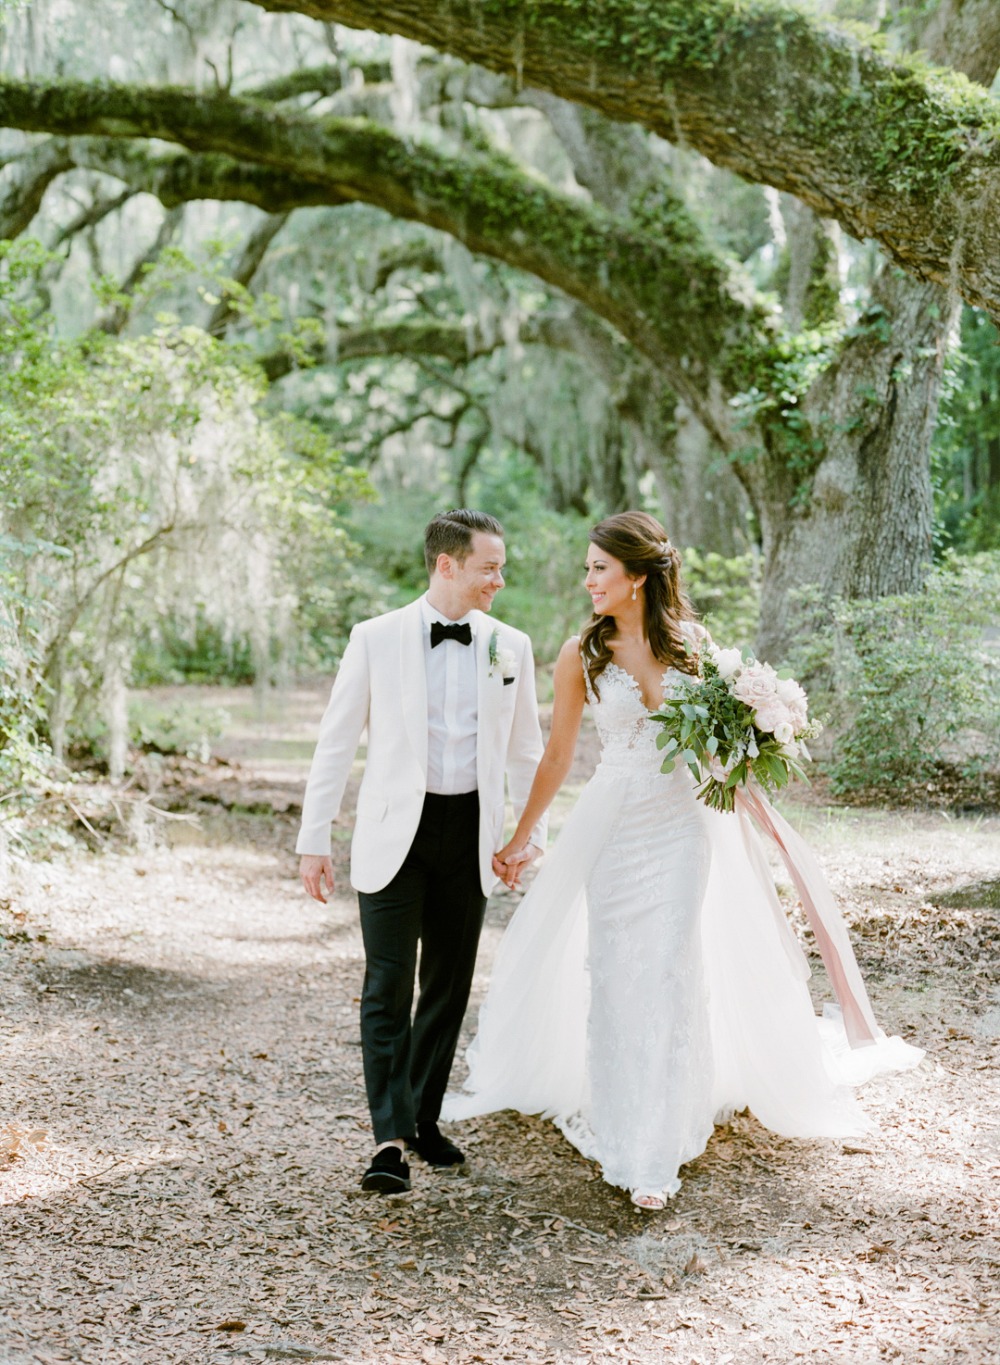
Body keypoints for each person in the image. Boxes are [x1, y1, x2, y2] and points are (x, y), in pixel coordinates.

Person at [443, 510, 922, 1211]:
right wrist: (521, 836)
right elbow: (556, 756)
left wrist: (752, 745)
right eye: (588, 569)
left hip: (678, 826)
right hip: (612, 827)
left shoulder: (692, 647)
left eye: (599, 569)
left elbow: (715, 745)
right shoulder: (580, 655)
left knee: (668, 968)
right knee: (615, 972)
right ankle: (618, 1115)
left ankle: (654, 1146)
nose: (588, 581)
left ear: (637, 576)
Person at [297, 509, 546, 1194]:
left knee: (447, 986)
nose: (500, 578)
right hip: (391, 834)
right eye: (489, 566)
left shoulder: (510, 646)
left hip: (470, 833)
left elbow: (527, 752)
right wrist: (313, 836)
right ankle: (387, 1139)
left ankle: (423, 1119)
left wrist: (529, 837)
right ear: (448, 564)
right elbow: (336, 740)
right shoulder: (374, 638)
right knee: (386, 984)